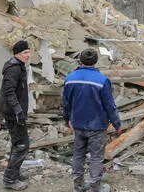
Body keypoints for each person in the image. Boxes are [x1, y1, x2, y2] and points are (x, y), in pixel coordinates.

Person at [62, 48, 123, 192]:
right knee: (96, 157)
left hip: (78, 124)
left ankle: (78, 186)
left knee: (78, 154)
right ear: (96, 62)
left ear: (80, 60)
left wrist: (67, 119)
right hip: (97, 126)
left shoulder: (70, 78)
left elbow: (65, 102)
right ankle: (95, 187)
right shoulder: (102, 80)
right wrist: (117, 124)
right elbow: (110, 105)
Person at [1, 40, 31, 190]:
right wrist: (18, 111)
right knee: (22, 144)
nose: (28, 55)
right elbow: (9, 92)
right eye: (25, 52)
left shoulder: (19, 67)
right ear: (17, 54)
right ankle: (10, 179)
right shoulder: (13, 69)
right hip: (14, 114)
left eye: (28, 52)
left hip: (16, 112)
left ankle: (14, 173)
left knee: (17, 143)